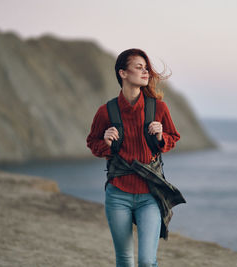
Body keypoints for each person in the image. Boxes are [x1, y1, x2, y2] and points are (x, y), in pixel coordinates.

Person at [86, 48, 181, 267]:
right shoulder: (106, 111)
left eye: (146, 68)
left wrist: (160, 136)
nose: (145, 72)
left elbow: (173, 138)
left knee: (147, 261)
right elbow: (93, 143)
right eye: (139, 67)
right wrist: (106, 142)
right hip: (117, 194)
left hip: (150, 194)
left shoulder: (159, 108)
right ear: (123, 73)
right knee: (125, 260)